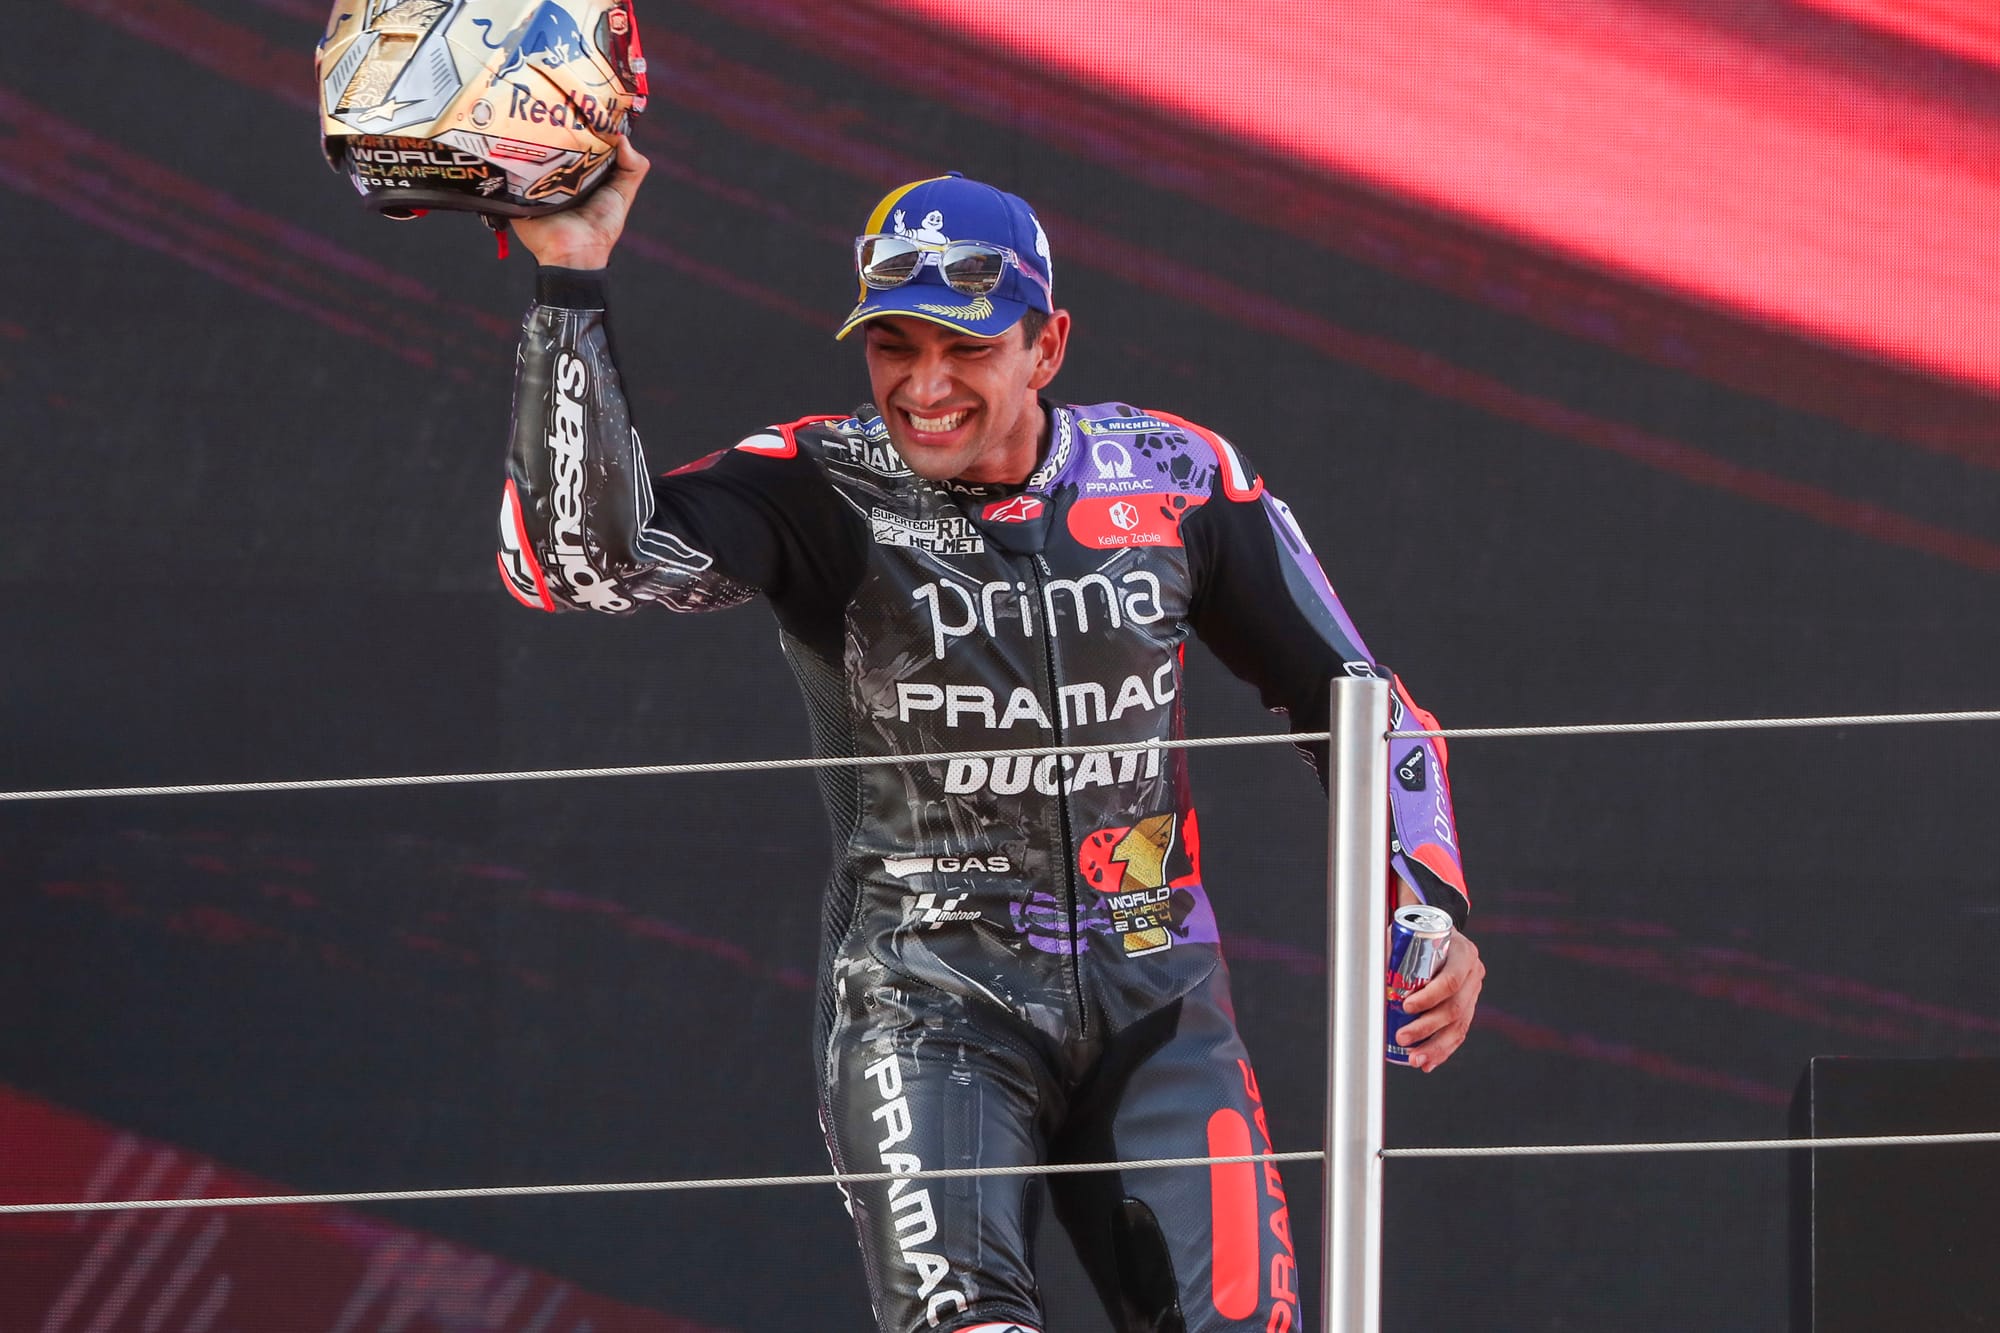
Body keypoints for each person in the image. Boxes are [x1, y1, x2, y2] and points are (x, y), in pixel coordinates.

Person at [498, 140, 1485, 1333]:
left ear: (1046, 346)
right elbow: (577, 567)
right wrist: (568, 279)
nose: (924, 386)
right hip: (929, 1011)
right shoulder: (814, 480)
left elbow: (1362, 701)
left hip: (1158, 1011)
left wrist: (1424, 904)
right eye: (892, 345)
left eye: (965, 345)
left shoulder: (1174, 474)